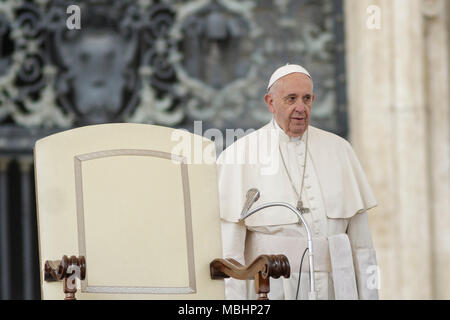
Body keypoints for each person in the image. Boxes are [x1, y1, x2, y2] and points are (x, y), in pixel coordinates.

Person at [216, 64, 379, 300]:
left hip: (334, 289)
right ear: (270, 103)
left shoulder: (340, 150)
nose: (301, 108)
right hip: (272, 289)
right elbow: (229, 255)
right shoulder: (239, 156)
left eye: (307, 99)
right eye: (291, 99)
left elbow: (363, 250)